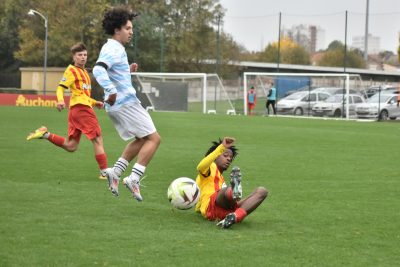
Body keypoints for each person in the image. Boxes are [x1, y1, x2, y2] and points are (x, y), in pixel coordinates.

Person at [93, 6, 161, 201]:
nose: (131, 32)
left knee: (141, 139)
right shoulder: (114, 48)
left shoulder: (113, 48)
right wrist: (112, 91)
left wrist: (126, 71)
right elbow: (98, 70)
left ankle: (115, 172)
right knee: (154, 139)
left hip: (118, 105)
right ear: (117, 30)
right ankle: (134, 178)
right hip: (125, 102)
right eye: (128, 28)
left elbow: (110, 71)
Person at [26, 43, 109, 178]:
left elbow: (81, 95)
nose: (83, 57)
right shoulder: (71, 70)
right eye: (80, 55)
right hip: (81, 110)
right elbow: (60, 88)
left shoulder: (84, 72)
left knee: (71, 146)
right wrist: (60, 100)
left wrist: (94, 102)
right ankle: (105, 172)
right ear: (74, 57)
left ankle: (45, 134)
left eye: (85, 55)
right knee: (98, 139)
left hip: (77, 110)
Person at [195, 137, 268, 229]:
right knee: (226, 190)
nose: (229, 159)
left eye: (230, 157)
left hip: (226, 212)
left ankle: (235, 216)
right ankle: (233, 192)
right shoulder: (210, 168)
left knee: (262, 191)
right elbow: (200, 167)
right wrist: (222, 147)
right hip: (212, 207)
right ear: (215, 156)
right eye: (225, 156)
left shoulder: (220, 179)